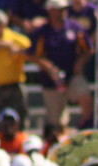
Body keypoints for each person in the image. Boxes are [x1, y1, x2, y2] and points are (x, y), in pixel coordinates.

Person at [30, 0, 91, 129]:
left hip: (72, 75)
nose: (63, 12)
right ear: (50, 11)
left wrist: (80, 63)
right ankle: (61, 134)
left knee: (84, 93)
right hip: (51, 80)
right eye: (59, 9)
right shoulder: (43, 32)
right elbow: (33, 55)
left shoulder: (75, 28)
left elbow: (88, 49)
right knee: (56, 121)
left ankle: (86, 125)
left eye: (64, 9)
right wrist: (49, 67)